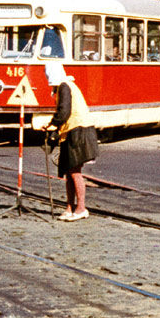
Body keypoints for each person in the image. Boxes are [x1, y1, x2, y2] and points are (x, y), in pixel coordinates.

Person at [44, 62, 98, 221]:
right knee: (69, 171)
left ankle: (81, 208)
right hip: (72, 131)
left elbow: (64, 112)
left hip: (79, 131)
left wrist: (52, 124)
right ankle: (70, 207)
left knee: (74, 171)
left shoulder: (64, 86)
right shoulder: (64, 86)